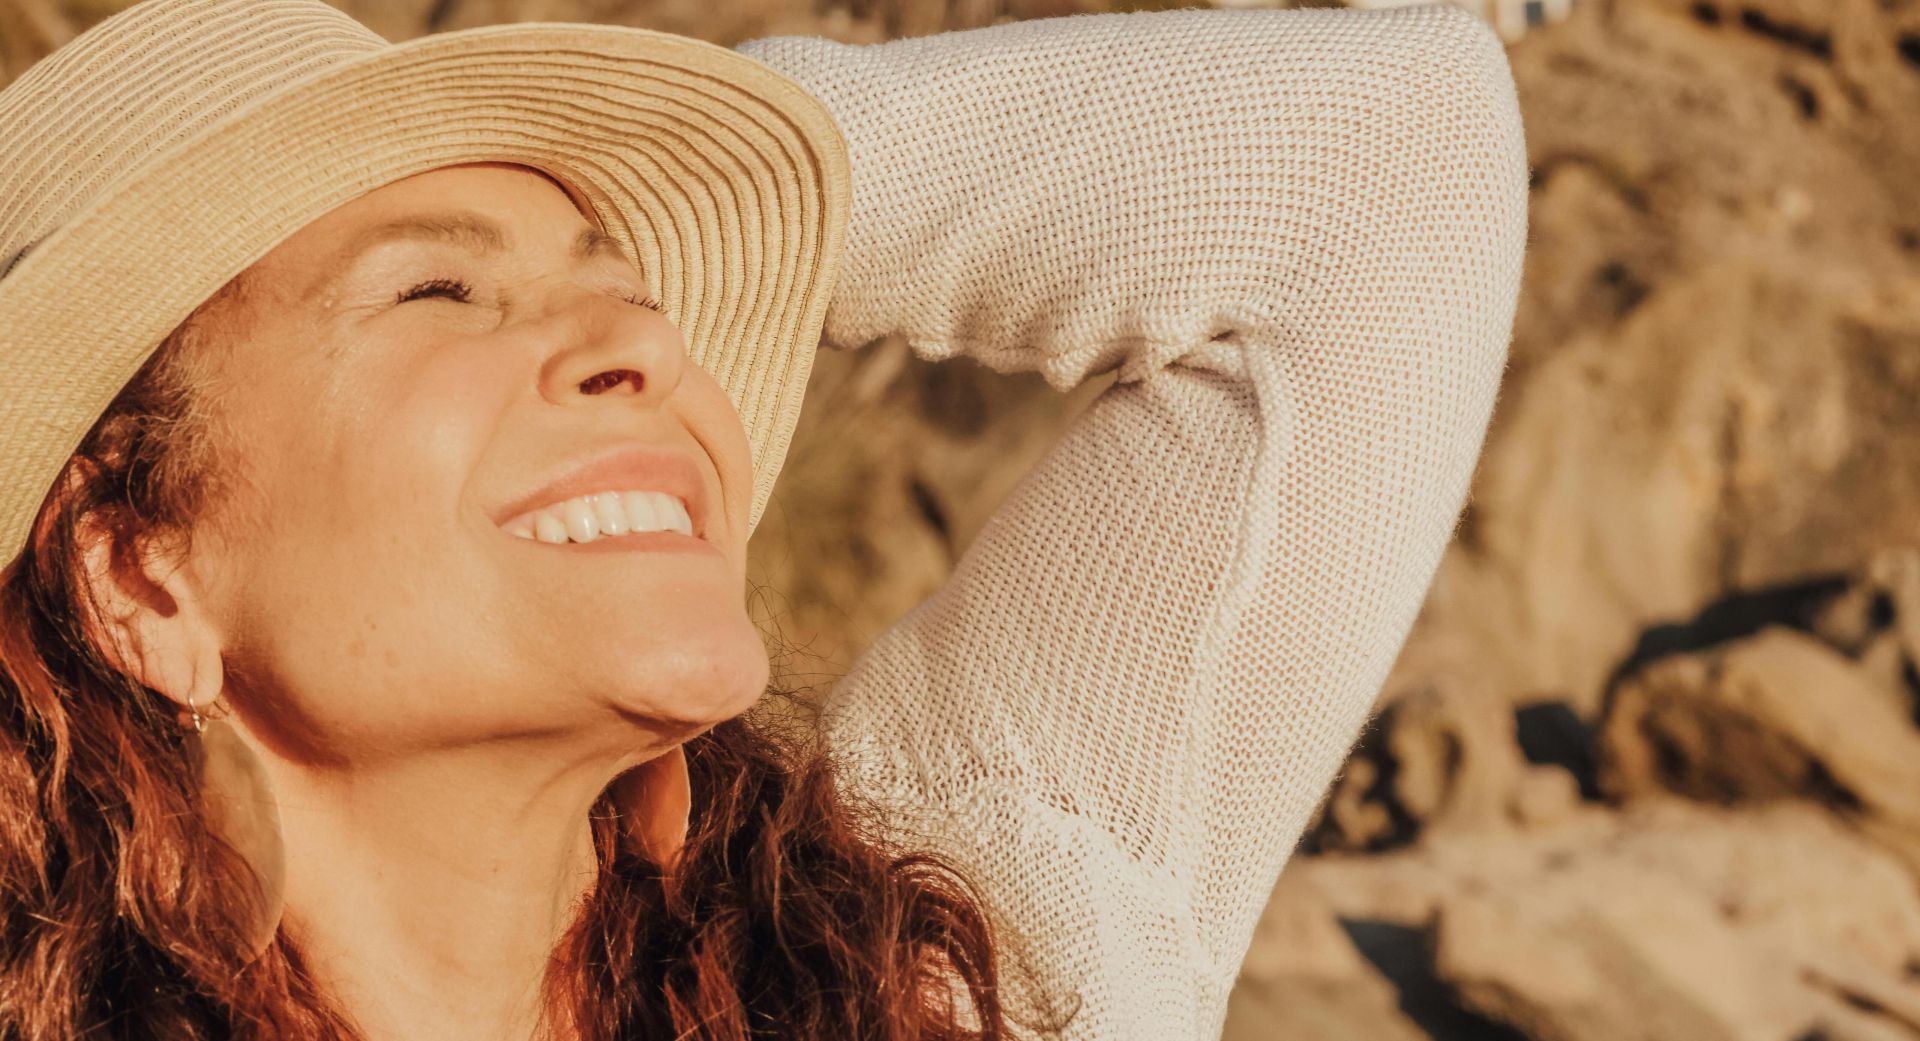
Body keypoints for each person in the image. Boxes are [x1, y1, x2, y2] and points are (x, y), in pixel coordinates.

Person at [0, 0, 1528, 1038]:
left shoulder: (945, 954)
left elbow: (1384, 158)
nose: (650, 344)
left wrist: (743, 173)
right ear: (140, 567)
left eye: (635, 292)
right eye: (435, 289)